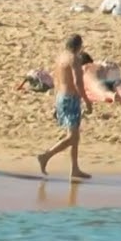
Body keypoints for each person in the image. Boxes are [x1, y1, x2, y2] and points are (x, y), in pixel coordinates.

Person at [38, 35, 95, 180]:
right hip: (71, 99)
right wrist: (87, 101)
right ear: (79, 46)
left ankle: (75, 169)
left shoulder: (61, 58)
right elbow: (78, 82)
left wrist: (56, 104)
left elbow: (57, 80)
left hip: (61, 97)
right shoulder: (74, 59)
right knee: (72, 137)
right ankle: (46, 156)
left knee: (75, 136)